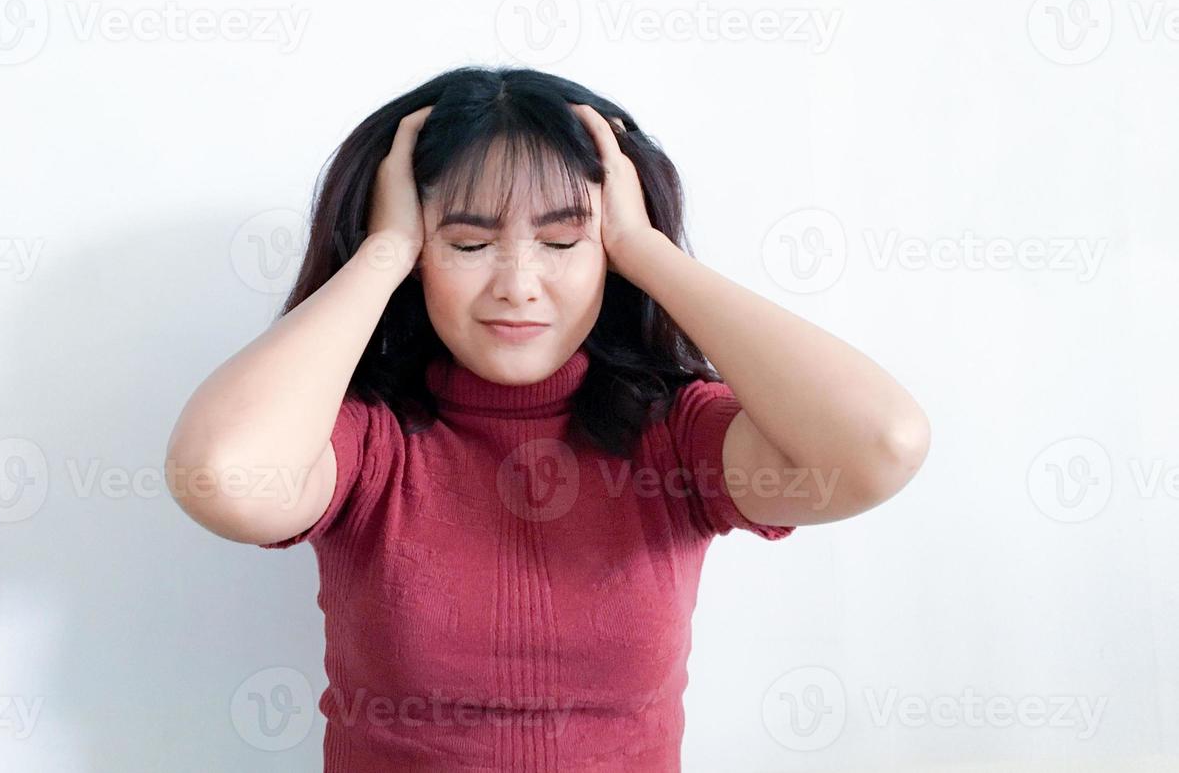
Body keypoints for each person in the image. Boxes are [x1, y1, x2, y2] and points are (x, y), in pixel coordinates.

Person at [165, 66, 931, 771]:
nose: (518, 285)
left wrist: (644, 246)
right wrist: (384, 249)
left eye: (564, 239)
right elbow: (222, 478)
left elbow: (878, 444)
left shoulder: (672, 437)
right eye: (467, 242)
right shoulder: (367, 442)